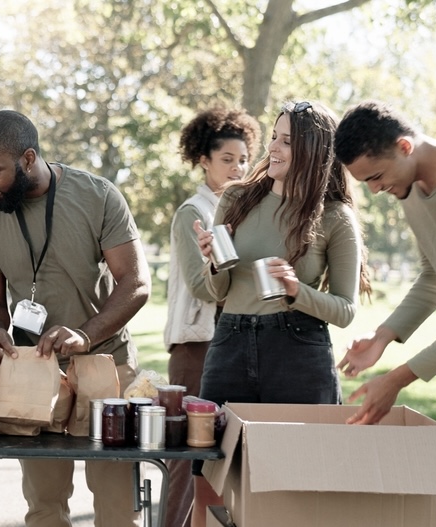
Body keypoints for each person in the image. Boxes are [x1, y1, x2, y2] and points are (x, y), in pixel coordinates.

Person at [191, 100, 370, 526]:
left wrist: (296, 290)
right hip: (231, 341)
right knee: (210, 471)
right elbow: (216, 291)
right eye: (274, 136)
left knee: (300, 481)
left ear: (314, 151)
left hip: (298, 351)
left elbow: (345, 310)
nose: (273, 147)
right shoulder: (235, 198)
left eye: (287, 141)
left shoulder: (335, 217)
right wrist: (214, 261)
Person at [0, 109, 151, 527]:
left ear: (28, 159)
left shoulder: (98, 196)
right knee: (45, 504)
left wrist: (85, 336)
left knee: (116, 502)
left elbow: (136, 283)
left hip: (106, 365)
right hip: (35, 371)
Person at [333, 100, 436, 526]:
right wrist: (382, 338)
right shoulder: (411, 187)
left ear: (404, 146)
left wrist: (398, 379)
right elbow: (433, 278)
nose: (375, 190)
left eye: (376, 177)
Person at [163, 107, 259, 527]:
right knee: (187, 458)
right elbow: (202, 286)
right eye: (227, 159)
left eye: (243, 159)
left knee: (227, 456)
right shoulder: (194, 212)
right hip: (196, 345)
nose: (238, 168)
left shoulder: (246, 210)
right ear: (204, 159)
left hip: (234, 343)